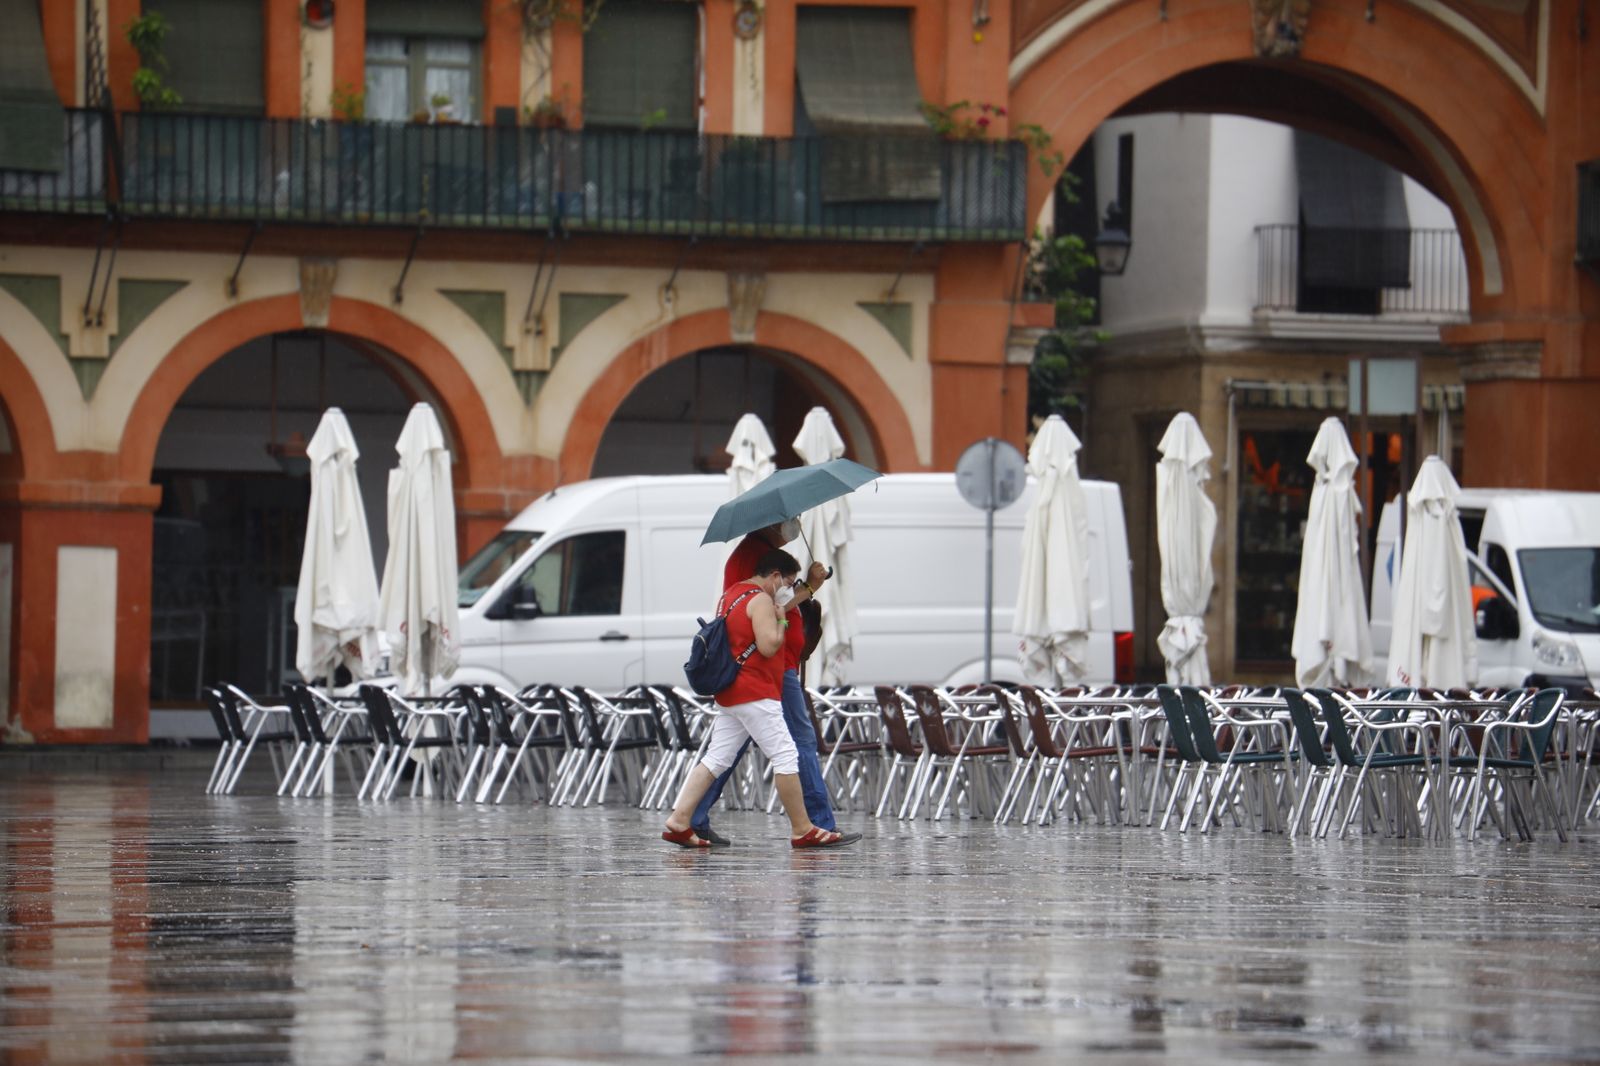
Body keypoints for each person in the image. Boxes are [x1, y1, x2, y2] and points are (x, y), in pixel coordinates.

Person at [663, 549, 855, 849]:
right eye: (789, 583)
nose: (789, 590)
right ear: (775, 576)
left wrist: (808, 589)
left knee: (717, 758)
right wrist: (782, 620)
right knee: (785, 755)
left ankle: (679, 820)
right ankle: (803, 828)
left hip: (730, 692)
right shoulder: (763, 600)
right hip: (756, 691)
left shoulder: (732, 594)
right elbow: (768, 646)